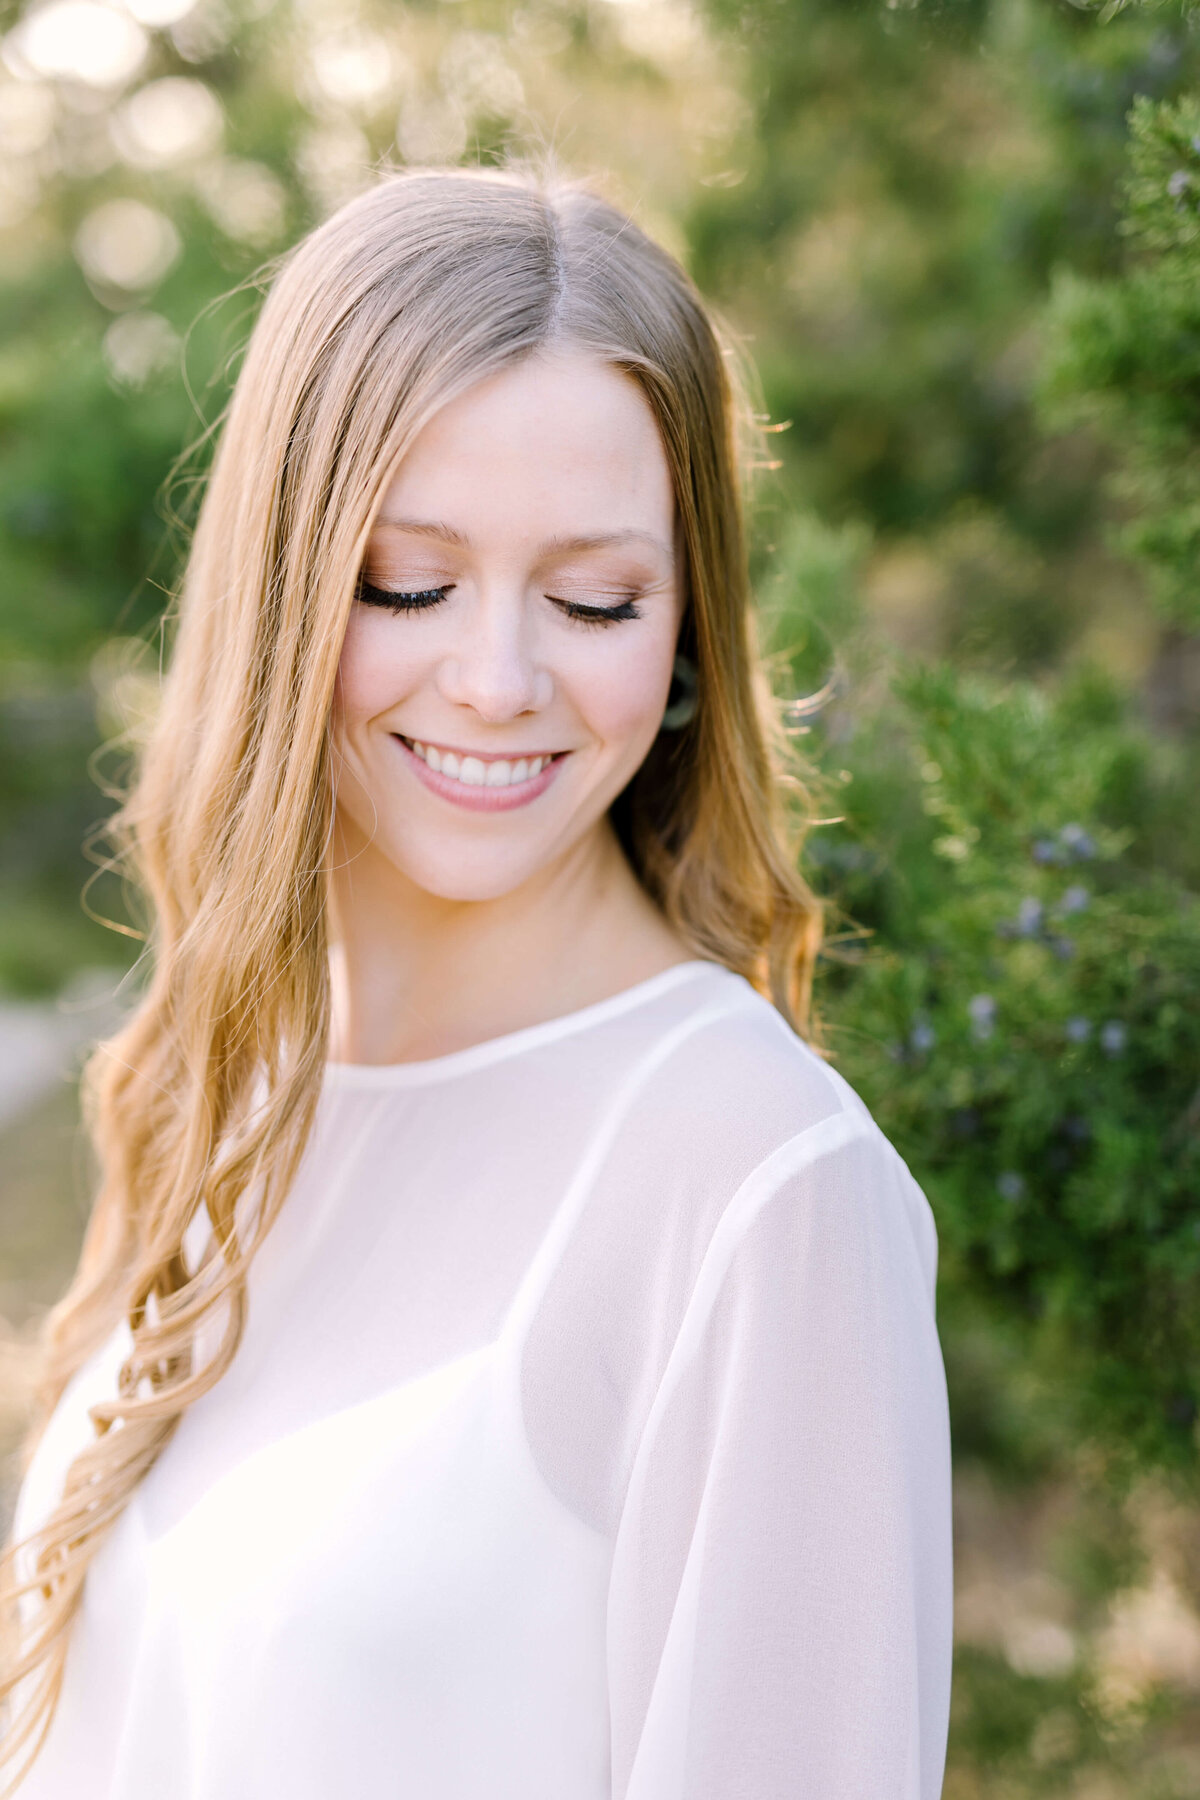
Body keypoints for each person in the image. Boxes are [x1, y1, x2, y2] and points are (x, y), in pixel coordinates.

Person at [0, 166, 953, 1798]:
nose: (499, 683)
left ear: (687, 639)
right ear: (282, 593)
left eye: (595, 600)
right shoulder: (240, 1094)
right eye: (408, 583)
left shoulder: (760, 1194)